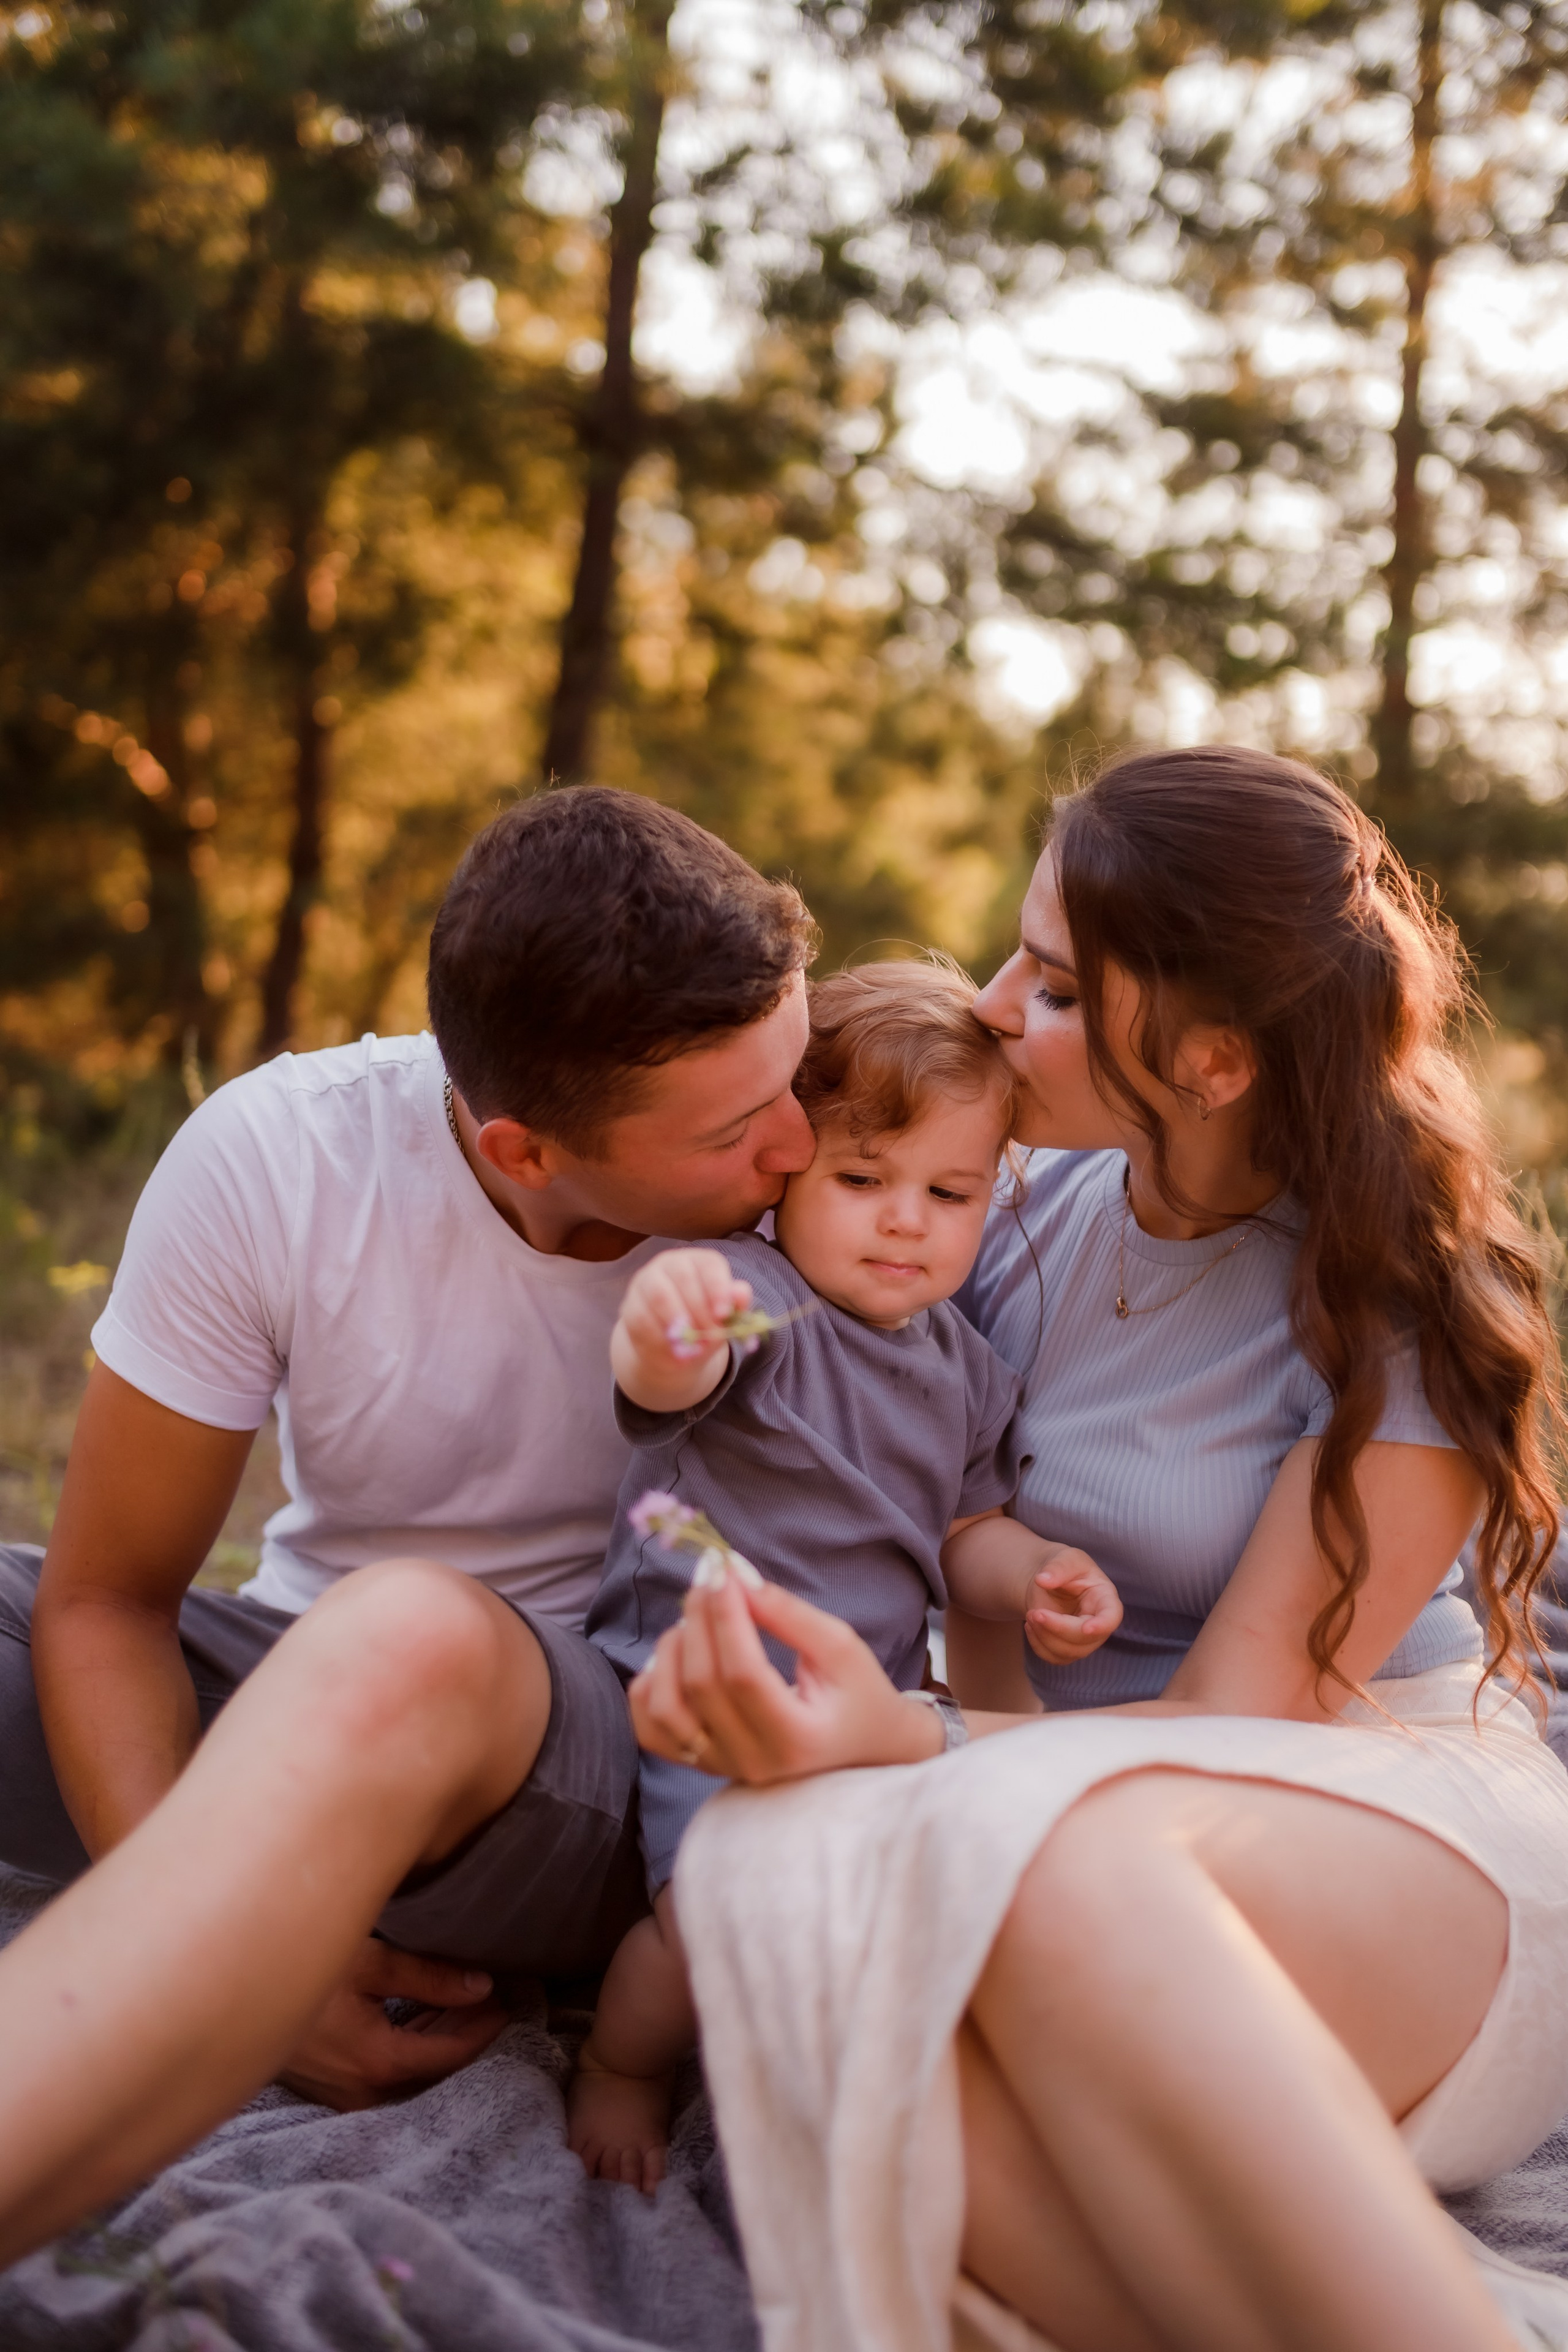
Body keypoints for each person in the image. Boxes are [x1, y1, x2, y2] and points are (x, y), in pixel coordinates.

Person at [628, 748, 1568, 2352]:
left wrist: (906, 1737)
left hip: (1376, 1831)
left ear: (1209, 1061)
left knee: (1049, 1855)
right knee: (771, 1919)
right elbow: (900, 1470)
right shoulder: (1015, 1208)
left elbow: (1237, 1718)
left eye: (1055, 990)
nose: (995, 1009)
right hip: (1043, 1809)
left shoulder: (1398, 1292)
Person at [0, 784, 816, 2121]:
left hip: (600, 1763)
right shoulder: (279, 1158)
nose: (799, 1141)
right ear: (525, 1152)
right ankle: (239, 1916)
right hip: (290, 1689)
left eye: (797, 1069)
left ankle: (212, 1932)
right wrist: (237, 1976)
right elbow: (109, 1601)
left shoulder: (844, 1188)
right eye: (733, 1131)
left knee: (418, 1638)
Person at [568, 963, 1121, 2190]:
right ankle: (620, 2061)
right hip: (705, 1686)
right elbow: (671, 1377)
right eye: (860, 1181)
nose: (904, 1221)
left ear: (993, 1194)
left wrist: (1034, 1571)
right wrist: (666, 1334)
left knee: (913, 1899)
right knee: (712, 1909)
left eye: (948, 1192)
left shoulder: (965, 1368)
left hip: (867, 1705)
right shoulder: (761, 1302)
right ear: (788, 1174)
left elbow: (966, 1533)